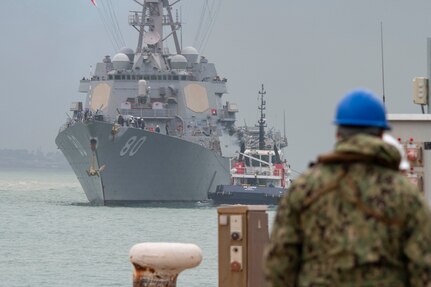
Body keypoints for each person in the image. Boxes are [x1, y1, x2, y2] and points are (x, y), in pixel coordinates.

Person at [264, 89, 431, 287]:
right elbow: (422, 267)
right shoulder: (405, 194)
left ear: (337, 133)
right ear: (381, 133)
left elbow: (279, 265)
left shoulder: (304, 189)